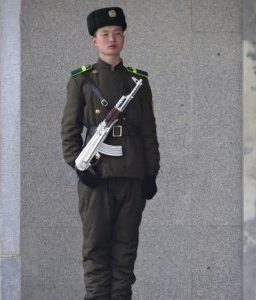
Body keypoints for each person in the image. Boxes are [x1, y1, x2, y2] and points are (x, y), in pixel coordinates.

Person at [61, 6, 160, 300]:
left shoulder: (138, 82)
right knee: (96, 250)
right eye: (105, 34)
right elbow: (69, 130)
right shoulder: (81, 80)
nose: (112, 39)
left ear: (124, 38)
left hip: (131, 176)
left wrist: (150, 173)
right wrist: (78, 166)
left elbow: (149, 133)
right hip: (97, 177)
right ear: (95, 40)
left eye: (117, 33)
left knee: (125, 251)